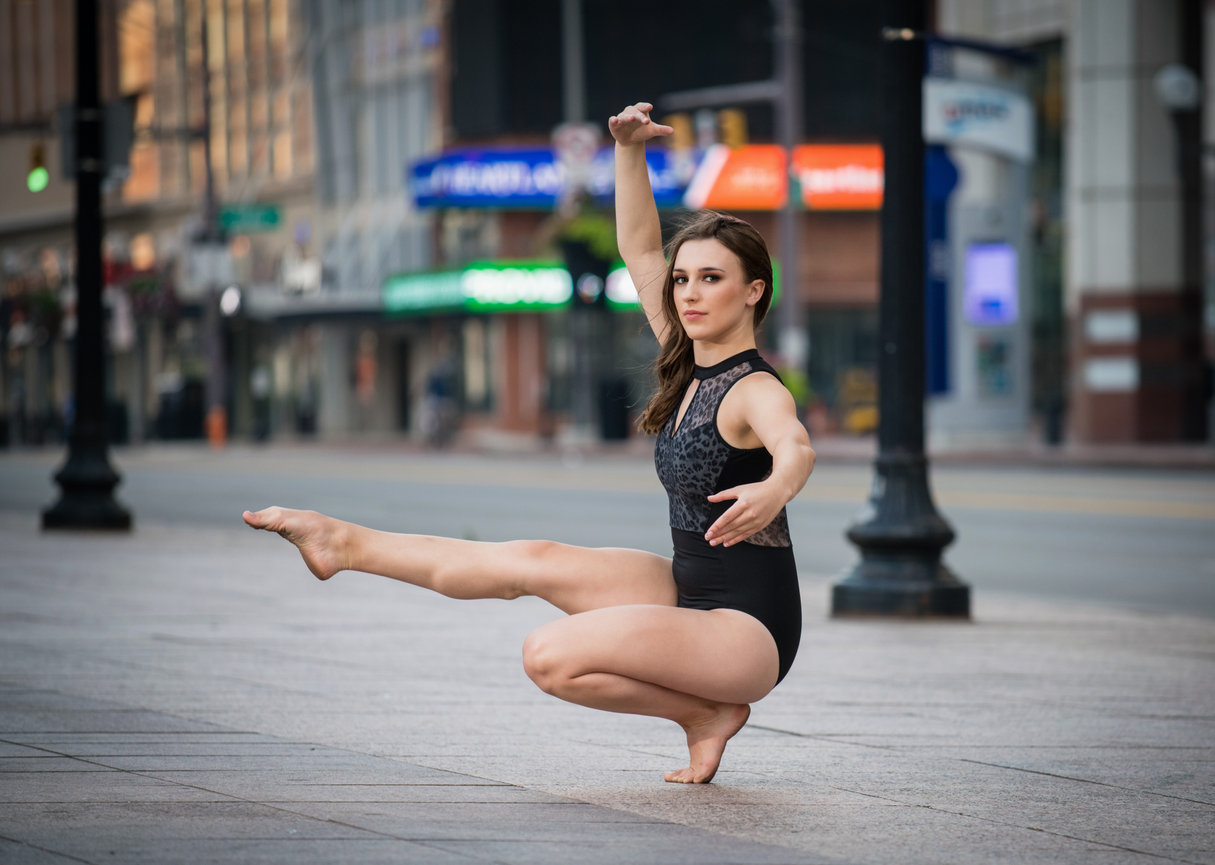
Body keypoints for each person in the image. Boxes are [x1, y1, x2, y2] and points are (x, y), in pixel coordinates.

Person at [243, 101, 815, 784]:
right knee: (529, 559)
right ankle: (343, 542)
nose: (688, 293)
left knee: (550, 654)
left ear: (754, 291)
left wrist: (776, 485)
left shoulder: (754, 388)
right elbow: (637, 247)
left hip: (747, 626)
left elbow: (796, 445)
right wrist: (628, 152)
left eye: (711, 279)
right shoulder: (687, 355)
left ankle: (702, 714)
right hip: (690, 585)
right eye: (684, 278)